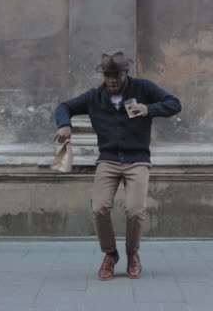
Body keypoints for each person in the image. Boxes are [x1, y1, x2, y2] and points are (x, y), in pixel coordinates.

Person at [54, 50, 181, 280]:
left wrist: (149, 108)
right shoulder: (94, 96)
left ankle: (132, 254)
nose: (112, 80)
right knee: (99, 208)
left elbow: (174, 104)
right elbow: (64, 106)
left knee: (135, 211)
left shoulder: (143, 88)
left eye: (117, 75)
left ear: (126, 72)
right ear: (103, 75)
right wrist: (64, 124)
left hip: (137, 160)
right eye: (108, 75)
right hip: (108, 160)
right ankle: (111, 255)